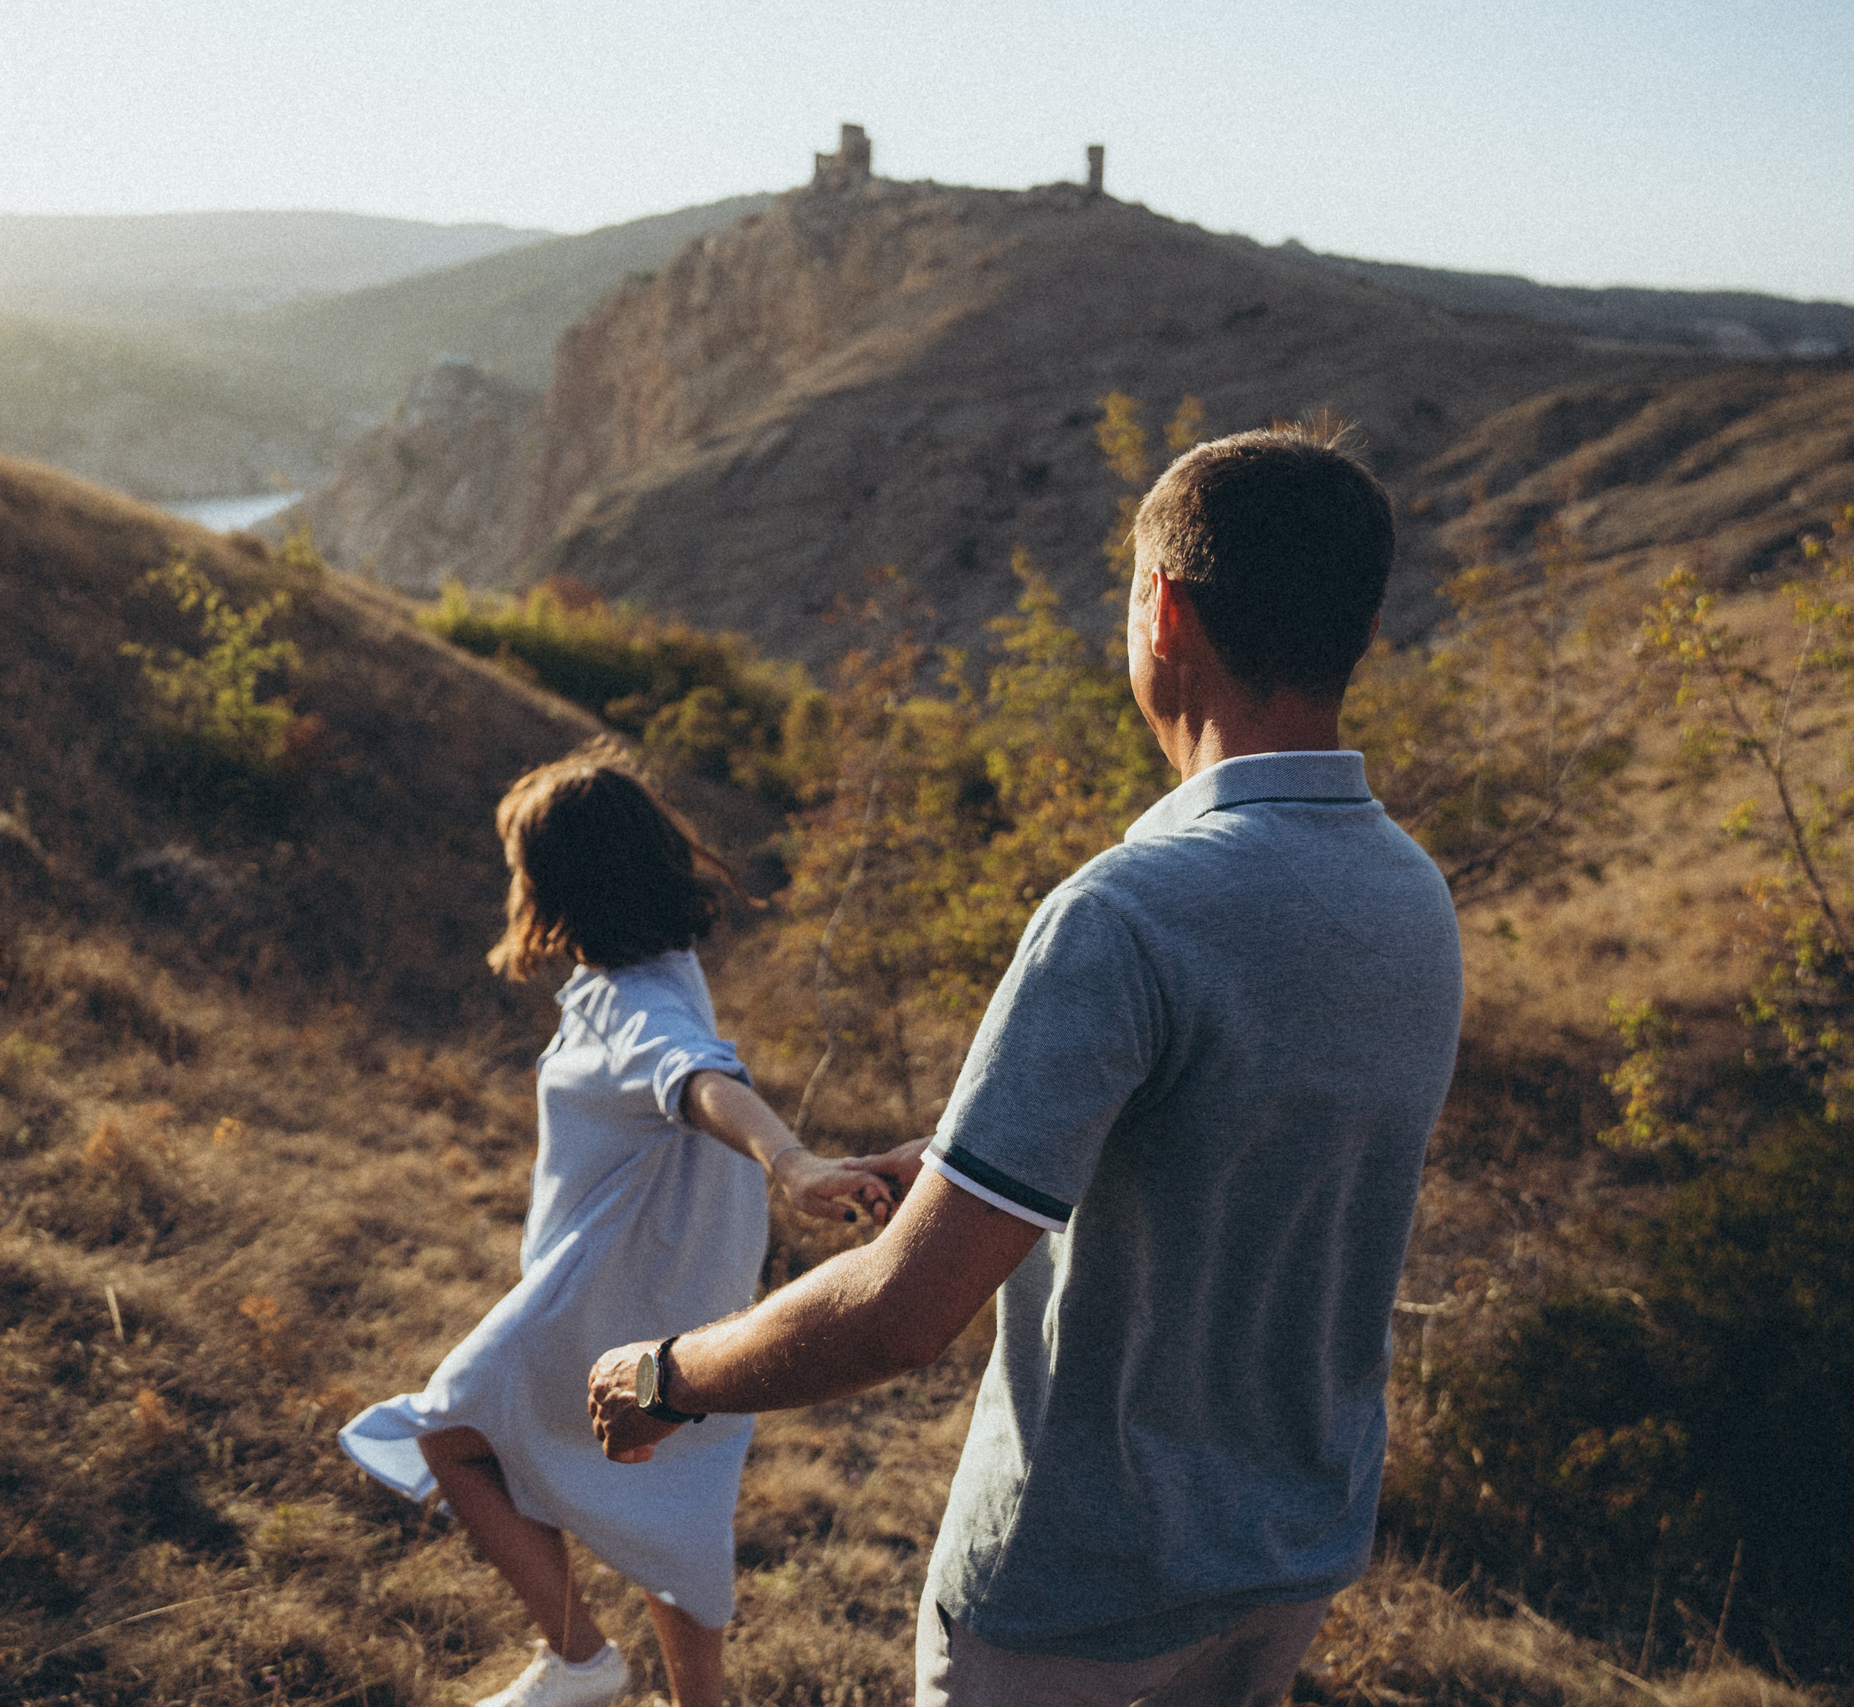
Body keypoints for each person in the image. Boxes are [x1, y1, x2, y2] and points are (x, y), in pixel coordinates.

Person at [587, 425, 1465, 1707]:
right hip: (1284, 1564)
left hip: (1076, 1597)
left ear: (1160, 611)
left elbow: (900, 1313)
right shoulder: (1411, 893)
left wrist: (667, 1375)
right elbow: (1248, 1156)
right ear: (1359, 629)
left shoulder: (1129, 912)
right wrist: (982, 1162)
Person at [341, 744, 889, 1707]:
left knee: (453, 1431)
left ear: (555, 885)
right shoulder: (664, 970)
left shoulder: (629, 1007)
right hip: (690, 1305)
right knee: (664, 1500)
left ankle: (579, 1658)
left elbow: (701, 1079)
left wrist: (792, 1161)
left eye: (519, 864)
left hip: (599, 1301)